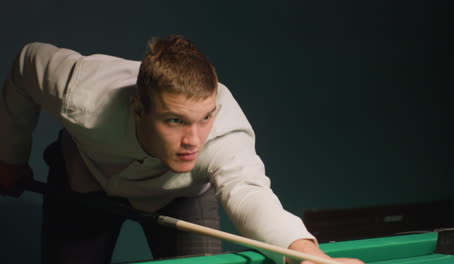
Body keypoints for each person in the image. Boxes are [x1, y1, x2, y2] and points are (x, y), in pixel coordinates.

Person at [0, 36, 363, 264]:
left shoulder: (224, 132)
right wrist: (9, 157)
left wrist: (308, 256)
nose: (194, 139)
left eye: (204, 118)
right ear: (138, 109)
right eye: (175, 121)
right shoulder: (82, 91)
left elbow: (250, 194)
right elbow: (27, 61)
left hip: (180, 195)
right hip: (84, 179)